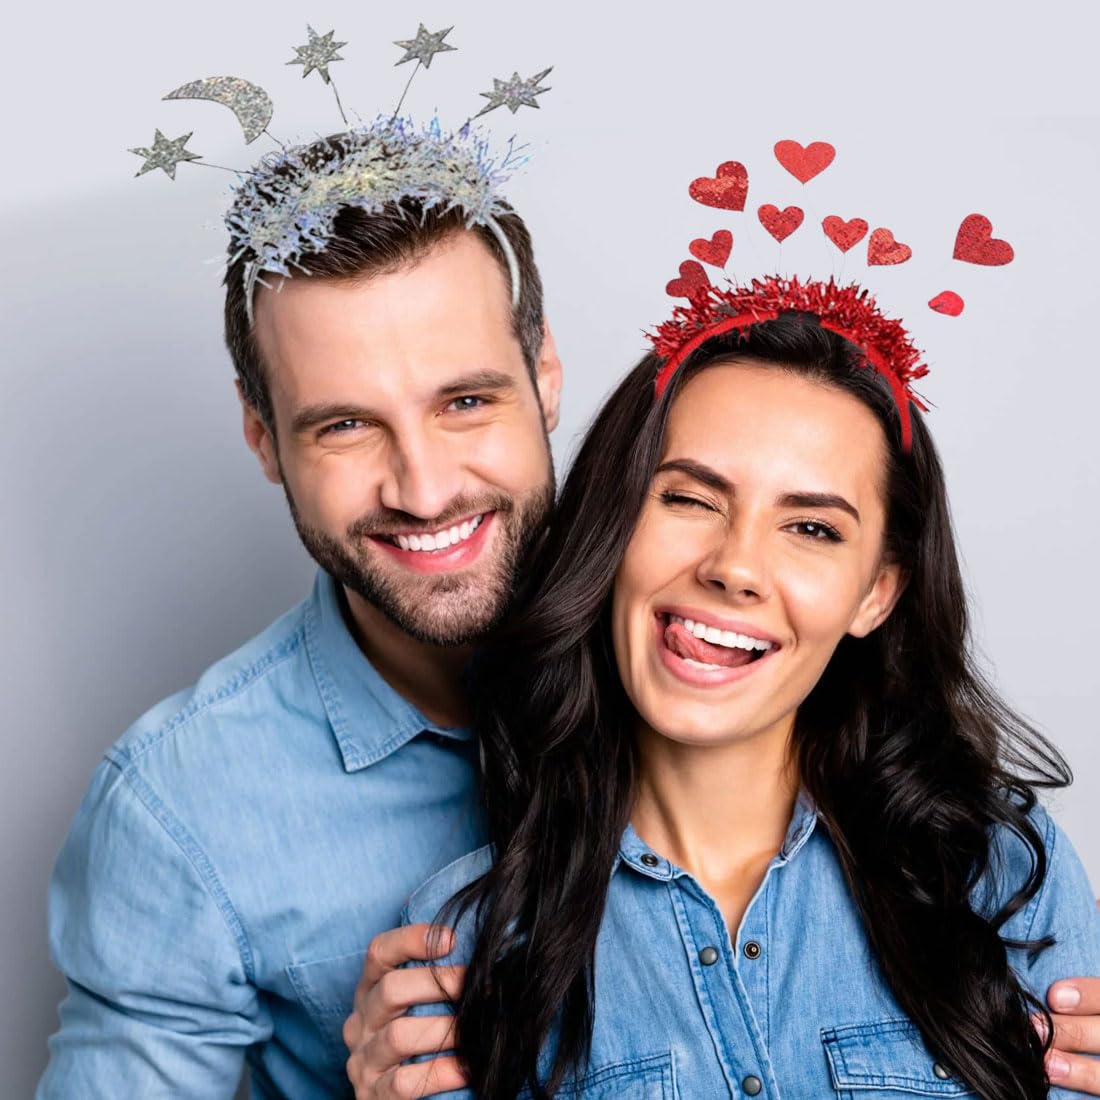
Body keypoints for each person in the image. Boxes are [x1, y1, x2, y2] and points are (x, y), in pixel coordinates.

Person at [396, 298, 1100, 1099]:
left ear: (876, 593)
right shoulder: (466, 946)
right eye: (689, 499)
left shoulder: (1000, 871)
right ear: (611, 525)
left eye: (812, 529)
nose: (734, 567)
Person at [37, 123, 562, 1096]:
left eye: (464, 402)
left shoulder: (725, 655)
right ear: (262, 435)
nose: (423, 489)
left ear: (544, 375)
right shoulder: (176, 808)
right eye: (346, 425)